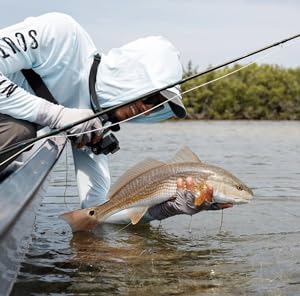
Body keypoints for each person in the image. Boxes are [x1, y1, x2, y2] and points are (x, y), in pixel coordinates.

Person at [0, 12, 218, 225]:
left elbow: (98, 210)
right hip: (12, 132)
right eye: (151, 97)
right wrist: (57, 115)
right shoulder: (62, 35)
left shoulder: (92, 129)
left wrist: (162, 210)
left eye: (159, 106)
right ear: (132, 74)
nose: (149, 110)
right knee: (19, 131)